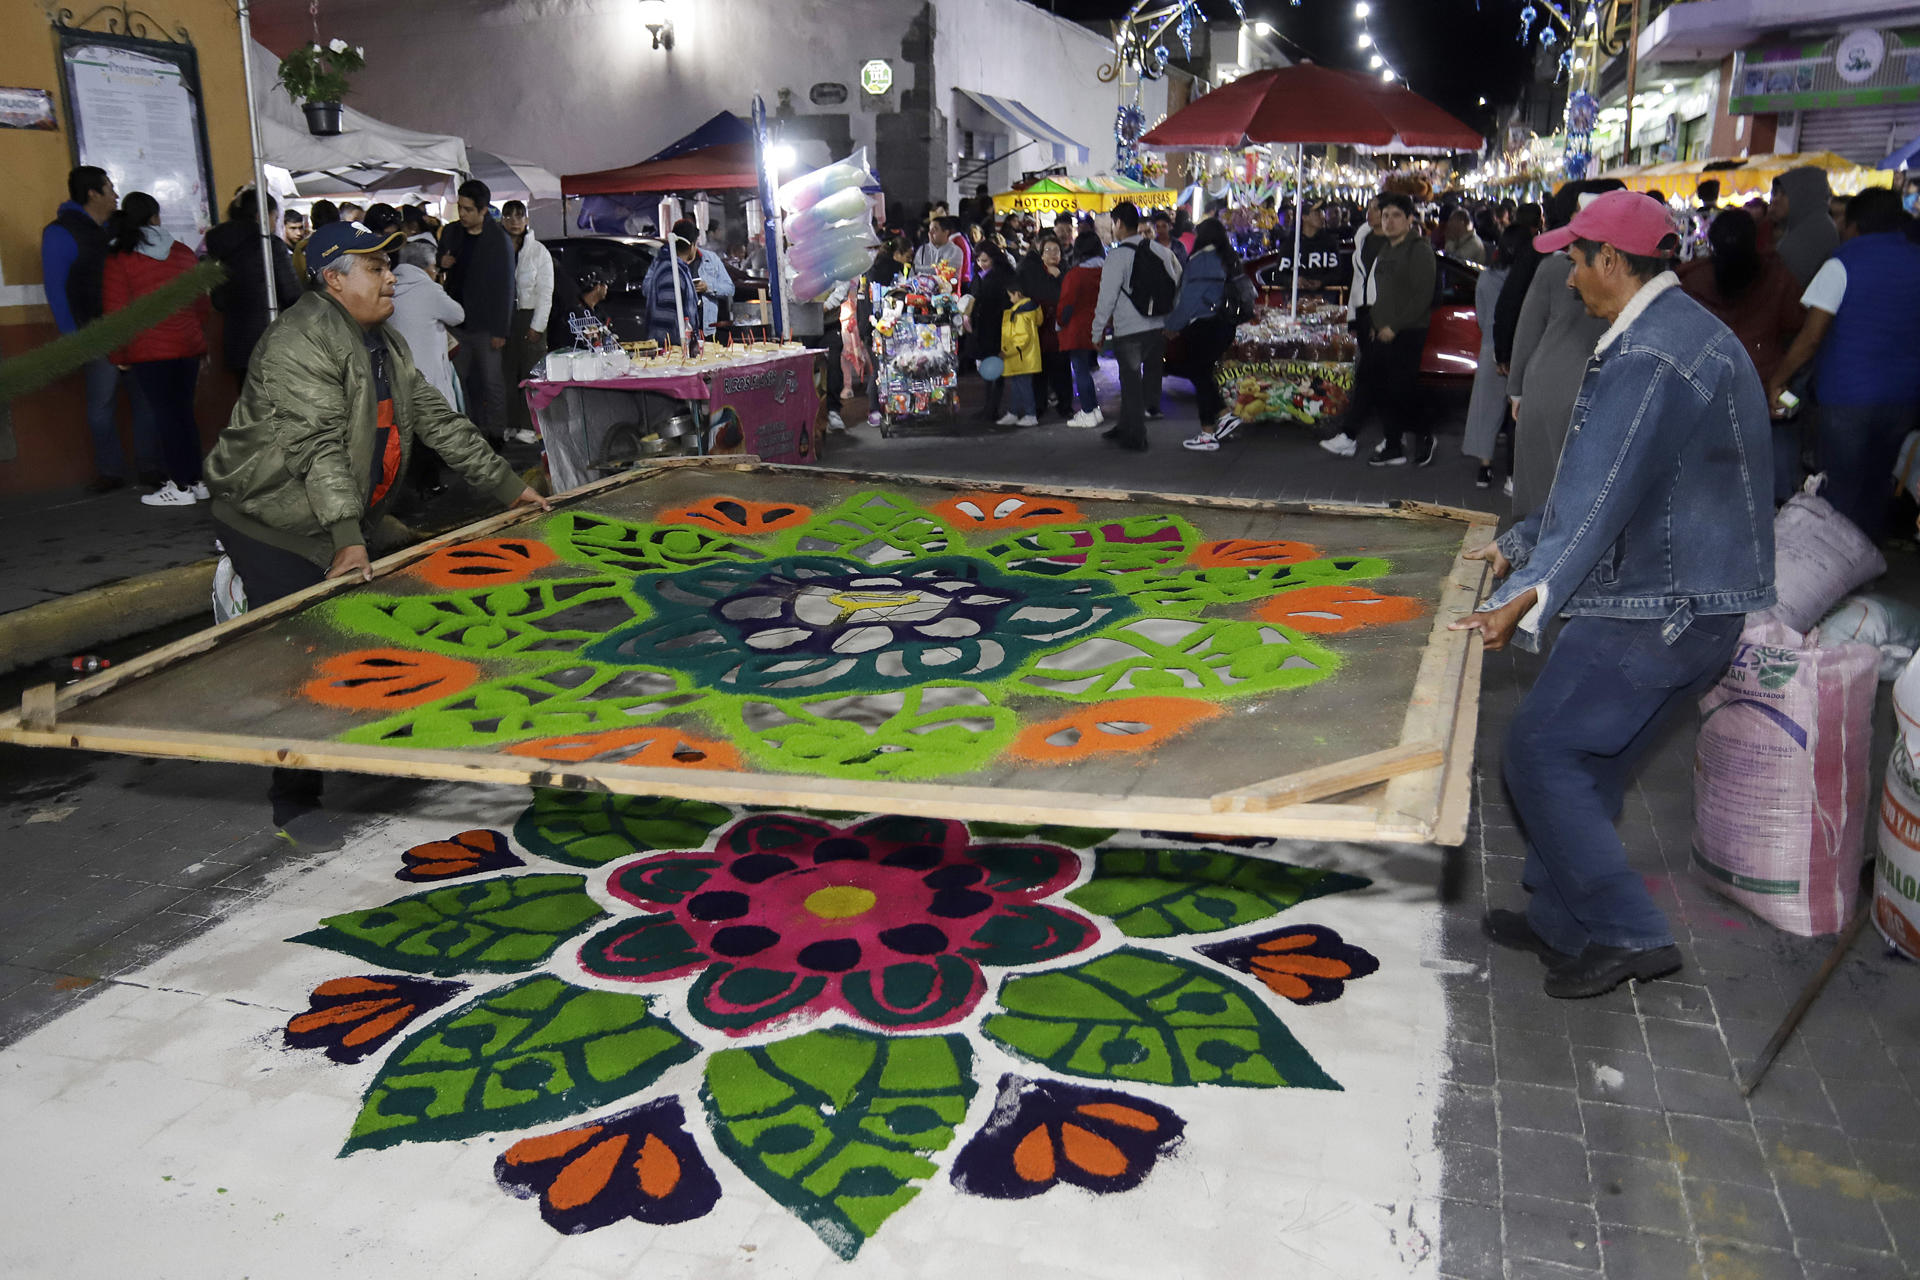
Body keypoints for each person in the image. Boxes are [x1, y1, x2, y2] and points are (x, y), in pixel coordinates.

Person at [1453, 190, 1773, 999]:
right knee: (1586, 763)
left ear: (1613, 262)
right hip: (1681, 595)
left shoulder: (1650, 354)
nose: (1565, 277)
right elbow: (1608, 486)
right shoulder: (1664, 332)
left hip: (1661, 605)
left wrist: (1524, 594)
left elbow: (1598, 496)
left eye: (1574, 257)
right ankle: (1565, 921)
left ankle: (1630, 931)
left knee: (1539, 751)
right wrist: (1523, 543)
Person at [202, 222, 547, 828]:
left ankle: (377, 742)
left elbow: (437, 419)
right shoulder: (299, 341)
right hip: (270, 517)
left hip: (339, 511)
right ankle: (295, 803)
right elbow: (316, 447)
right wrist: (346, 541)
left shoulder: (381, 341)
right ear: (333, 279)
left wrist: (508, 488)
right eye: (375, 267)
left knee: (395, 616)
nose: (392, 277)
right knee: (304, 654)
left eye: (388, 264)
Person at [1766, 188, 1920, 541]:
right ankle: (1866, 559)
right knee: (1878, 481)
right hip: (1905, 398)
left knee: (1841, 487)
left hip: (1848, 397)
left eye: (1839, 218)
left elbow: (1810, 337)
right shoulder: (1916, 259)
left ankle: (1836, 568)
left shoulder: (1842, 262)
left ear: (1854, 224)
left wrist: (1779, 379)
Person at [1504, 179, 1627, 514]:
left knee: (1544, 501)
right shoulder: (1623, 272)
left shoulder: (1554, 267)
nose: (1572, 279)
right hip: (1580, 389)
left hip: (1548, 385)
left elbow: (1526, 330)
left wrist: (1516, 389)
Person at [41, 164, 159, 492]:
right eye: (110, 188)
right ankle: (111, 471)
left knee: (146, 400)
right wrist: (73, 339)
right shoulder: (61, 232)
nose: (115, 195)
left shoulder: (115, 230)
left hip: (132, 329)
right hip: (95, 333)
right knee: (101, 405)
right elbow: (56, 288)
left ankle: (150, 466)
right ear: (92, 193)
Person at [1676, 208, 1805, 501]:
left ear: (1711, 243)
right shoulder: (1777, 277)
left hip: (1709, 394)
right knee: (1775, 470)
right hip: (1765, 389)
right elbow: (1796, 323)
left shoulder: (1691, 281)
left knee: (1711, 487)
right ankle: (1782, 508)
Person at [102, 192, 210, 508]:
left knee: (166, 417)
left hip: (149, 351)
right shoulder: (181, 252)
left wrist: (119, 356)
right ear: (155, 218)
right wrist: (194, 336)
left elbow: (117, 312)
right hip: (187, 347)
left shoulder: (120, 256)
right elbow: (200, 302)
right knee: (184, 414)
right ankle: (197, 481)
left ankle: (180, 486)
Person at [1321, 193, 1437, 466]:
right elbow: (1378, 294)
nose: (1390, 221)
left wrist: (1393, 327)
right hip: (1380, 331)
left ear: (1410, 219)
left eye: (1396, 215)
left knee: (1399, 390)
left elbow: (1422, 297)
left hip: (1407, 332)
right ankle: (1393, 446)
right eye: (1385, 216)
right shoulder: (1386, 249)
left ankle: (1420, 435)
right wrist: (1374, 324)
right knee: (1380, 387)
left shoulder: (1418, 250)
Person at [1090, 200, 1182, 452]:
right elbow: (1177, 283)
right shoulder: (1161, 251)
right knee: (1151, 377)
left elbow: (1106, 297)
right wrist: (1172, 320)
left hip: (1129, 330)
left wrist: (1097, 332)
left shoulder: (1117, 256)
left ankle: (1136, 435)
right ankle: (1127, 424)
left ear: (1118, 223)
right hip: (1157, 327)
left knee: (1130, 382)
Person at [438, 179, 516, 439]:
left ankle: (495, 433)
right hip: (456, 323)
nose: (462, 214)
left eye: (468, 209)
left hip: (486, 325)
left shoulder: (499, 239)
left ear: (484, 210)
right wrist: (443, 263)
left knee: (491, 382)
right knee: (459, 382)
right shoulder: (451, 233)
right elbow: (438, 269)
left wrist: (500, 330)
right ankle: (467, 433)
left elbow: (506, 287)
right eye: (460, 207)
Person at [1174, 217, 1252, 453]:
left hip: (1205, 325)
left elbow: (1189, 299)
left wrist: (1172, 324)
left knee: (1199, 374)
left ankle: (1209, 432)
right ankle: (1223, 417)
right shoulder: (1228, 258)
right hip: (1225, 325)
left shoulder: (1203, 261)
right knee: (1202, 375)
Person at [205, 187, 299, 378]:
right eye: (274, 218)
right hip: (271, 339)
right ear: (261, 216)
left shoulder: (219, 247)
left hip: (236, 344)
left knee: (249, 402)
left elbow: (218, 301)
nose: (274, 224)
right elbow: (292, 295)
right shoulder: (270, 245)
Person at [1462, 226, 1524, 488]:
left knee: (1485, 409)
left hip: (1490, 346)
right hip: (1520, 348)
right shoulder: (1524, 280)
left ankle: (1484, 467)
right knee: (1518, 412)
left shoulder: (1486, 278)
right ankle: (1515, 470)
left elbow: (1482, 317)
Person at [388, 239, 464, 410]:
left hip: (399, 374)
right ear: (427, 266)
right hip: (430, 375)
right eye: (434, 267)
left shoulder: (390, 287)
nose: (435, 272)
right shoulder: (429, 289)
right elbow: (458, 315)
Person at [501, 200, 554, 444]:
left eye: (519, 216)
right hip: (504, 317)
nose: (514, 221)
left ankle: (530, 426)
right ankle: (510, 423)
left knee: (530, 374)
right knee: (506, 373)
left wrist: (537, 325)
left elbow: (546, 292)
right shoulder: (497, 248)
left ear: (527, 220)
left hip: (529, 316)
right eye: (508, 216)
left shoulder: (538, 252)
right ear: (502, 219)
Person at [1056, 230, 1105, 428]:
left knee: (1081, 371)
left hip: (1076, 328)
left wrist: (1059, 323)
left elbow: (1066, 305)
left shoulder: (1075, 275)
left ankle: (1088, 411)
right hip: (1096, 325)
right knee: (1085, 370)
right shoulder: (1105, 270)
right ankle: (1093, 410)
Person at [1019, 235, 1070, 418]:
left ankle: (1065, 405)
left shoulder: (1066, 271)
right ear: (1041, 254)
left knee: (1062, 368)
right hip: (1040, 326)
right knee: (1040, 368)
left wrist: (1059, 278)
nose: (1052, 254)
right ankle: (1039, 404)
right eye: (1047, 250)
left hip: (1060, 327)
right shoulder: (1033, 272)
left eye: (1056, 250)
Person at [1769, 165, 1840, 289]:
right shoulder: (1809, 226)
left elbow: (1781, 291)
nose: (1775, 200)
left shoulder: (1812, 234)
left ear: (1803, 194)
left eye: (1784, 193)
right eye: (1775, 193)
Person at [968, 241, 1016, 423]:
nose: (981, 264)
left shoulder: (1001, 277)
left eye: (985, 260)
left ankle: (992, 408)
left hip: (995, 328)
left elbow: (1001, 304)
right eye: (979, 260)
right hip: (983, 327)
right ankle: (988, 406)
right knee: (988, 370)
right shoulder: (981, 275)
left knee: (995, 369)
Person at [673, 218, 734, 337]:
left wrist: (708, 287)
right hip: (680, 332)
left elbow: (730, 288)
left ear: (693, 243)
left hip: (708, 331)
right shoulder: (668, 262)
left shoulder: (711, 259)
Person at [642, 224, 700, 348]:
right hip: (672, 349)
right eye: (696, 245)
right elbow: (666, 316)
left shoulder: (675, 267)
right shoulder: (671, 271)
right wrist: (671, 350)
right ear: (691, 246)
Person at [998, 281, 1042, 427]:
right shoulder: (1026, 310)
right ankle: (1013, 412)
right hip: (1022, 358)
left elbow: (1022, 338)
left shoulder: (1021, 313)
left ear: (1018, 294)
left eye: (1011, 296)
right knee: (1018, 386)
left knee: (1023, 386)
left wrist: (1006, 351)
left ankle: (1030, 414)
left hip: (1021, 357)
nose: (1010, 299)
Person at [292, 200, 339, 282]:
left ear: (312, 219)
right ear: (338, 218)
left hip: (316, 292)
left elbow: (301, 279)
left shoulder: (303, 247)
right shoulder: (350, 241)